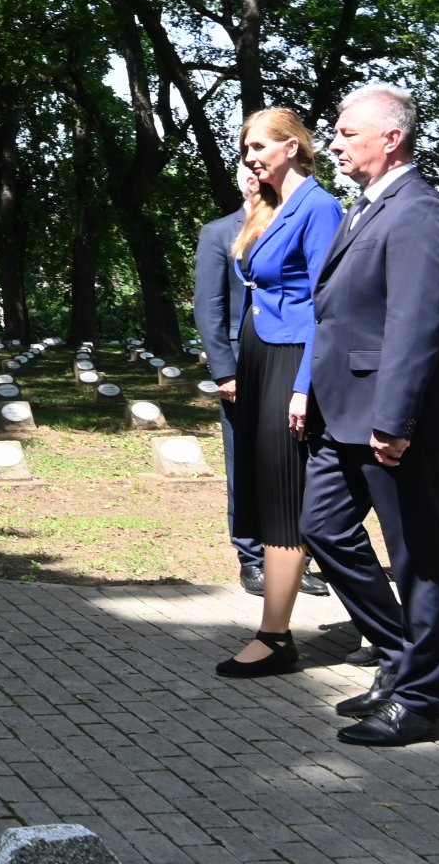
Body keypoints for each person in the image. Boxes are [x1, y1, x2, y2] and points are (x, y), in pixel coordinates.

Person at [303, 85, 439, 746]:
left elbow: (415, 324)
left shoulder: (420, 212)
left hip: (389, 419)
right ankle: (402, 656)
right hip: (341, 414)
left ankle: (421, 701)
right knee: (320, 526)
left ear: (390, 138)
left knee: (419, 560)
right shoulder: (366, 209)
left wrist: (394, 420)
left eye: (347, 133)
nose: (337, 142)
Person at [216, 108, 344, 679]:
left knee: (287, 497)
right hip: (259, 356)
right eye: (245, 149)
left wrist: (303, 387)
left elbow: (327, 306)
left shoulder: (319, 207)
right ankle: (353, 621)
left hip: (291, 359)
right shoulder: (269, 208)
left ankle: (275, 638)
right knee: (268, 492)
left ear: (292, 147)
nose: (250, 158)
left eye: (259, 147)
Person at [194, 166, 265, 592]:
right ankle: (251, 554)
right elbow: (209, 306)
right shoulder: (219, 232)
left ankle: (296, 556)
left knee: (297, 465)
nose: (255, 177)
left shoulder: (292, 222)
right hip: (242, 365)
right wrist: (224, 369)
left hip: (289, 362)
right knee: (245, 462)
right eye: (248, 171)